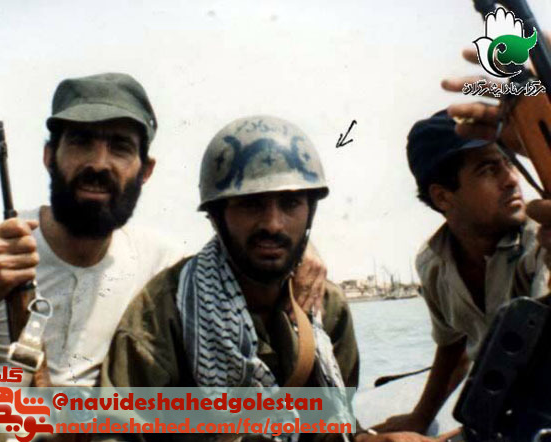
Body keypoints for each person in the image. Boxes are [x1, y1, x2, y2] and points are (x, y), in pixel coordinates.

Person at [0, 74, 327, 388]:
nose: (99, 163)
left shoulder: (159, 264)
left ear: (145, 171)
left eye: (120, 147)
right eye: (81, 142)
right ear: (49, 157)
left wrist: (301, 251)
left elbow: (243, 256)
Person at [102, 115, 450, 442]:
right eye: (252, 204)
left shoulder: (326, 309)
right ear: (216, 217)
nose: (272, 223)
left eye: (290, 203)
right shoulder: (165, 313)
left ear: (310, 211)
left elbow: (332, 427)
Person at [374, 109, 548, 434]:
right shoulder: (434, 264)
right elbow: (452, 346)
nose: (512, 179)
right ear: (443, 197)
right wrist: (420, 418)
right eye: (489, 169)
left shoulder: (541, 244)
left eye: (508, 163)